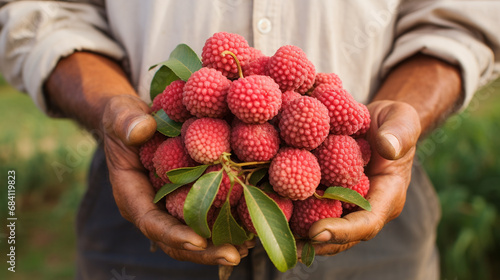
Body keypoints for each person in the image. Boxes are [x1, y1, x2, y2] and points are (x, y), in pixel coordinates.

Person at [1, 1, 499, 279]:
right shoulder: (203, 130)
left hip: (375, 192)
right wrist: (110, 107)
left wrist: (403, 113)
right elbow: (39, 13)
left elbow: (462, 18)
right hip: (140, 188)